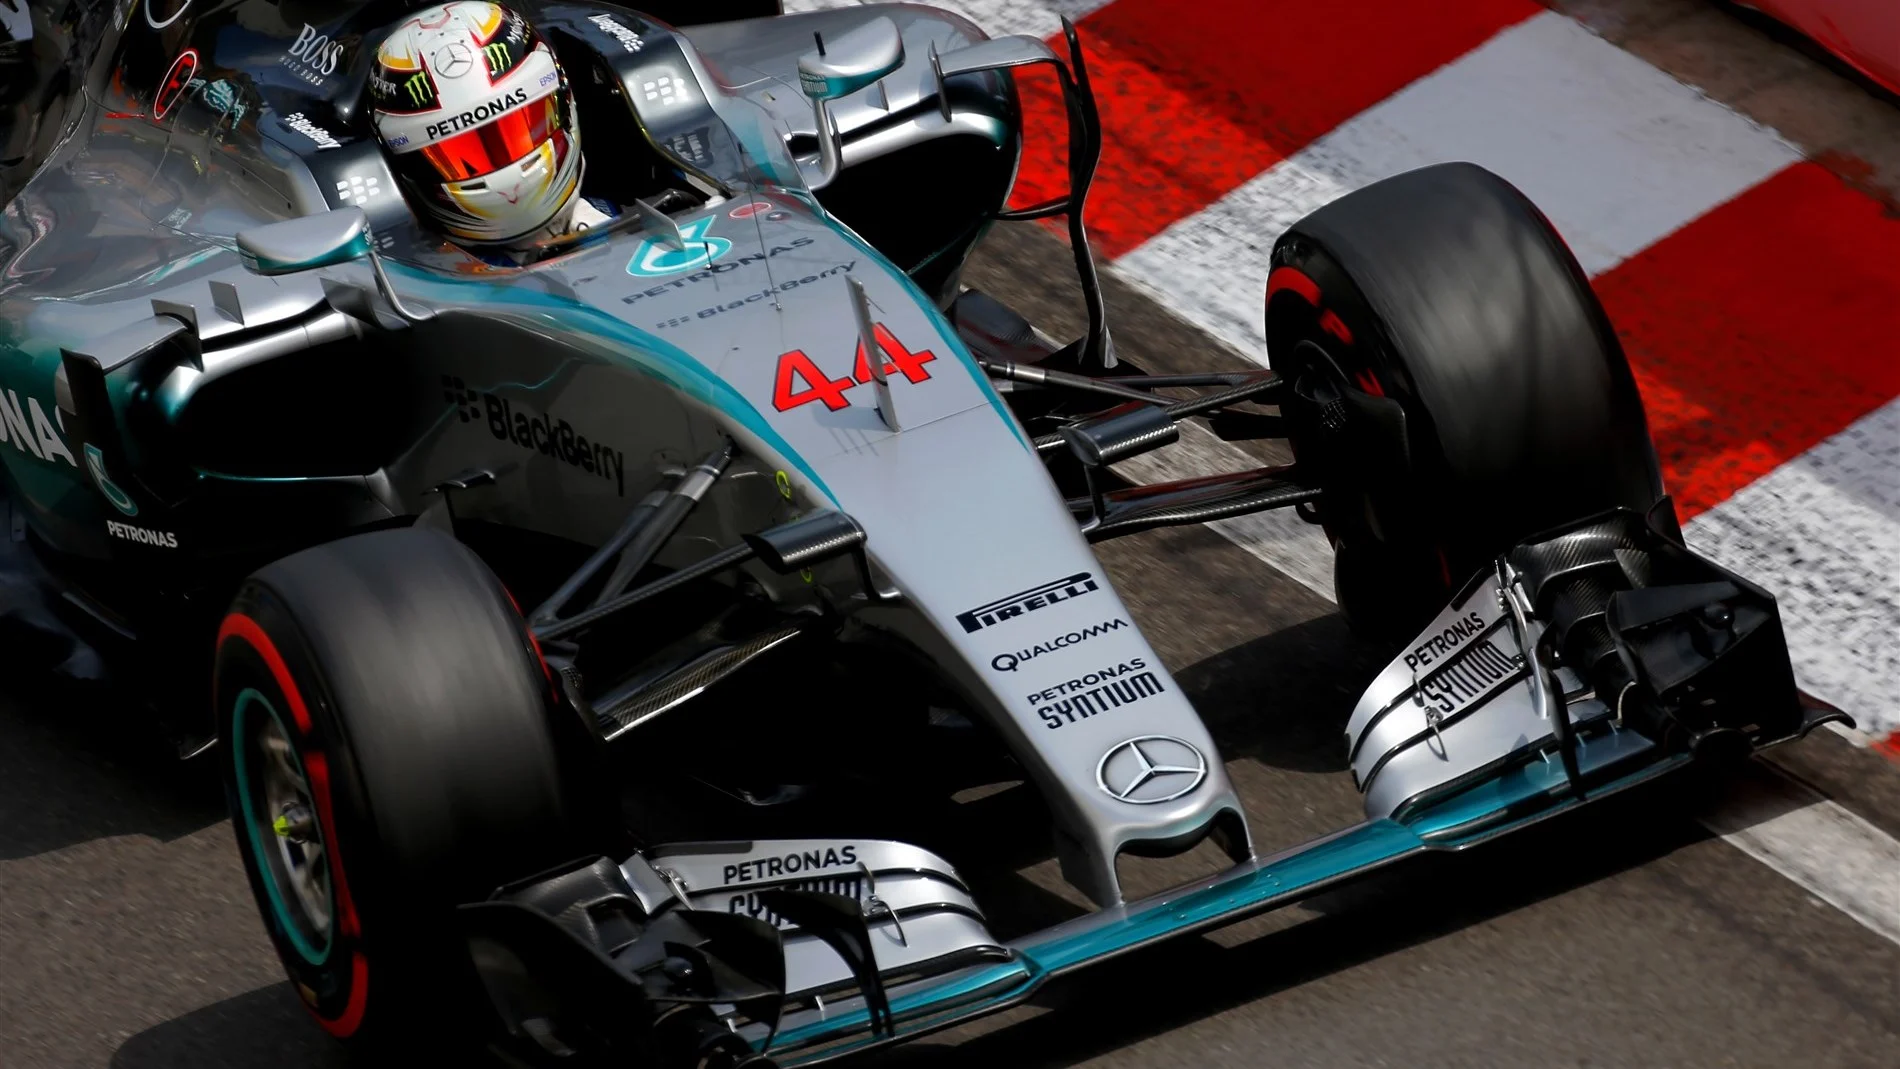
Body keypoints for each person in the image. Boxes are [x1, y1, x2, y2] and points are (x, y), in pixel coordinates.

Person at [367, 0, 615, 255]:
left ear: (565, 104)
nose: (509, 184)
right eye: (460, 154)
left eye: (519, 132)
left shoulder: (631, 223)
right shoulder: (410, 278)